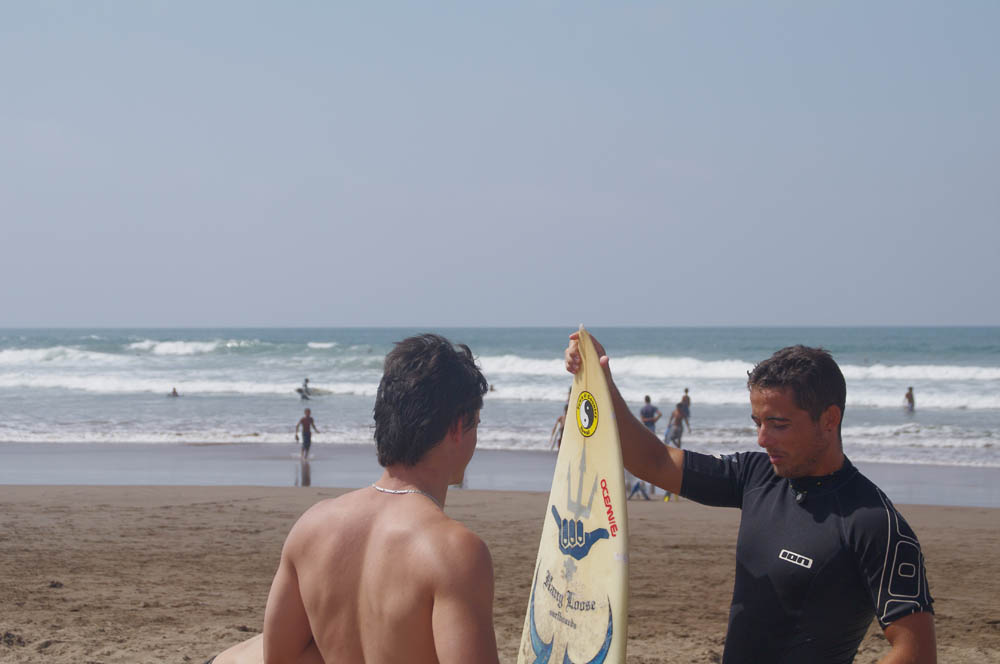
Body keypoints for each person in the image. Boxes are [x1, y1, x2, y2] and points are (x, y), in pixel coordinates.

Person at [565, 333, 936, 664]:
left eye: (778, 424)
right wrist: (601, 382)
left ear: (829, 419)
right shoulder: (756, 476)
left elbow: (916, 653)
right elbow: (654, 461)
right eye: (758, 422)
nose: (762, 439)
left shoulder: (874, 523)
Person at [208, 333, 498, 664]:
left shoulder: (311, 526)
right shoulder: (454, 552)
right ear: (458, 427)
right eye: (477, 423)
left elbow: (278, 658)